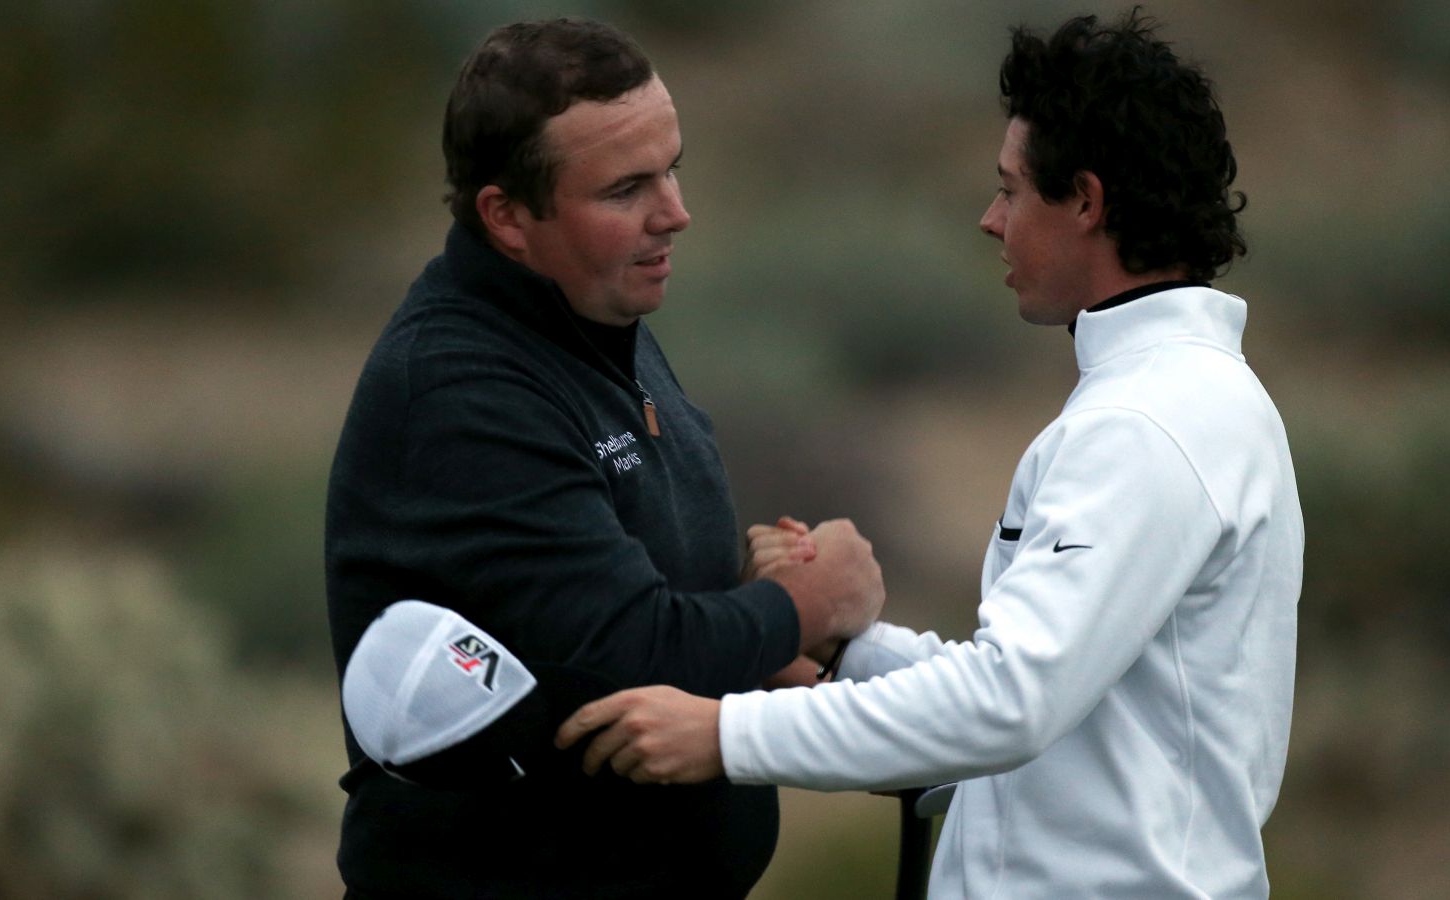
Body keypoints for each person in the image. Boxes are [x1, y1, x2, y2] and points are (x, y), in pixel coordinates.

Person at [558, 10, 1304, 899]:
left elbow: (1010, 703)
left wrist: (722, 734)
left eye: (1013, 189)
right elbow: (1058, 710)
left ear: (1089, 201)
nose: (991, 220)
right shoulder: (1186, 399)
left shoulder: (1147, 424)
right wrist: (843, 651)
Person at [323, 17, 883, 899]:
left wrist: (745, 607)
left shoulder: (595, 316)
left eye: (674, 167)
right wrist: (801, 603)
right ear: (506, 216)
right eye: (625, 189)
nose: (675, 212)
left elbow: (598, 603)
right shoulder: (460, 391)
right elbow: (626, 657)